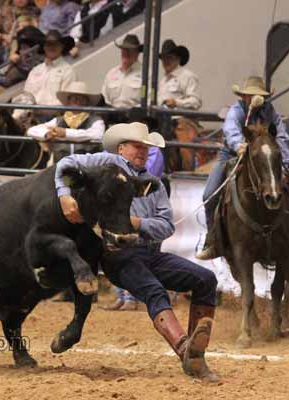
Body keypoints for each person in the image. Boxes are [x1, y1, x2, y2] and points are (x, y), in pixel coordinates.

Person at [54, 122, 219, 382]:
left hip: (148, 252)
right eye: (137, 146)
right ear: (122, 148)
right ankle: (186, 349)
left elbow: (166, 226)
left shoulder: (153, 183)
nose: (143, 151)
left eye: (146, 147)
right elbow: (66, 164)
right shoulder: (105, 162)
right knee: (154, 291)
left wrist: (138, 223)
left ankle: (196, 356)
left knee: (206, 279)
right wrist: (64, 194)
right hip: (117, 254)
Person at [196, 76, 289, 261]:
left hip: (263, 158)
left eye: (259, 95)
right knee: (209, 195)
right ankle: (213, 241)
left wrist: (287, 163)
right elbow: (231, 130)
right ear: (244, 96)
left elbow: (281, 137)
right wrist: (238, 145)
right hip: (232, 154)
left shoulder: (270, 112)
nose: (255, 98)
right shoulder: (237, 110)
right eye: (251, 95)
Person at [27, 81, 104, 162]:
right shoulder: (58, 120)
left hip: (87, 166)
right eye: (73, 98)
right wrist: (47, 134)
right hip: (61, 164)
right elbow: (31, 130)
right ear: (68, 102)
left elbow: (98, 135)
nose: (77, 101)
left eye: (81, 98)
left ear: (87, 102)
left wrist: (65, 133)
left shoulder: (95, 120)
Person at [23, 29, 77, 120]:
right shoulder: (35, 70)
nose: (51, 47)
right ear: (44, 47)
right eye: (48, 44)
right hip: (30, 115)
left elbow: (66, 101)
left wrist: (40, 108)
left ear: (62, 46)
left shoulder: (68, 71)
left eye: (55, 44)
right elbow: (26, 95)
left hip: (54, 117)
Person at [101, 34, 142, 109]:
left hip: (135, 117)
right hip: (112, 116)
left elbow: (148, 101)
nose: (126, 52)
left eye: (129, 50)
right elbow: (104, 99)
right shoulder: (111, 74)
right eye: (124, 49)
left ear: (137, 53)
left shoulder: (145, 75)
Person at [158, 39, 201, 110]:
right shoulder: (163, 81)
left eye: (169, 57)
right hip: (163, 118)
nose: (166, 61)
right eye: (164, 58)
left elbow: (196, 102)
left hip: (179, 118)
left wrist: (176, 102)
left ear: (178, 59)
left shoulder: (188, 76)